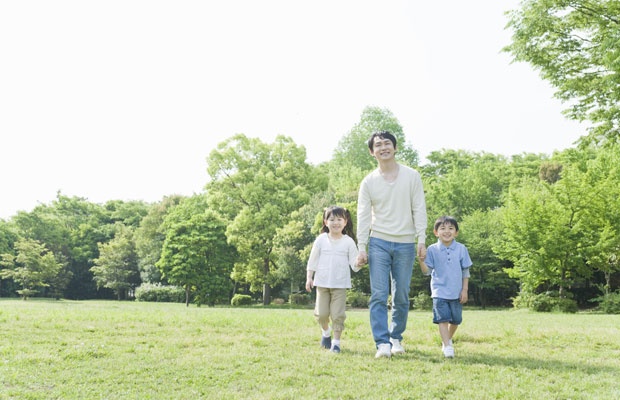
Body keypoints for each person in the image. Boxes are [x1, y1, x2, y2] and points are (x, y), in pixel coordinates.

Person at [356, 131, 427, 358]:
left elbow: (419, 207)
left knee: (402, 294)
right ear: (371, 152)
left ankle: (396, 337)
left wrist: (421, 238)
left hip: (406, 242)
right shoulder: (368, 182)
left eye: (387, 143)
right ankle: (382, 343)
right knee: (378, 294)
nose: (383, 147)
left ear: (395, 148)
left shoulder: (412, 176)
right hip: (379, 242)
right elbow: (363, 216)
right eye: (378, 145)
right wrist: (361, 246)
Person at [306, 206, 360, 353]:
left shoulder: (348, 241)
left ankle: (336, 343)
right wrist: (309, 277)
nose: (335, 222)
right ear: (325, 222)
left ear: (345, 221)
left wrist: (360, 261)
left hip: (340, 284)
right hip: (322, 283)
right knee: (321, 314)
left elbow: (354, 265)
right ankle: (326, 332)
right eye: (332, 219)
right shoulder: (321, 240)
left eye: (339, 219)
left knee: (338, 315)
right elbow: (313, 260)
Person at [419, 216, 472, 358]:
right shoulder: (432, 249)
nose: (447, 231)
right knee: (442, 318)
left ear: (456, 232)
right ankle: (447, 346)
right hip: (439, 291)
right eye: (442, 228)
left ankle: (446, 340)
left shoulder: (461, 249)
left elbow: (465, 271)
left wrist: (464, 290)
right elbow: (427, 271)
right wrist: (421, 260)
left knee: (455, 320)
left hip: (456, 291)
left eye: (451, 228)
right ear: (436, 232)